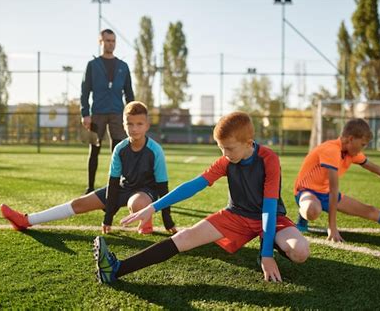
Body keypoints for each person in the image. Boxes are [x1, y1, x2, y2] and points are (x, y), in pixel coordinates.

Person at [93, 112, 310, 284]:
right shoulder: (226, 161)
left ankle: (267, 241)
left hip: (270, 217)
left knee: (300, 252)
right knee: (185, 238)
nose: (224, 154)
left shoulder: (269, 159)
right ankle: (117, 268)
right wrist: (153, 208)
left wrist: (266, 255)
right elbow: (193, 186)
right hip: (236, 216)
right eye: (221, 148)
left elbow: (269, 209)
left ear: (248, 142)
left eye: (229, 148)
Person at [0, 101, 176, 234]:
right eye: (130, 124)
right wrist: (108, 217)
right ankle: (26, 220)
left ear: (147, 125)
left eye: (139, 124)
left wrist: (167, 220)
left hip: (146, 192)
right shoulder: (120, 149)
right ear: (123, 125)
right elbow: (113, 183)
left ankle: (146, 222)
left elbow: (162, 187)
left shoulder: (155, 150)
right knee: (78, 203)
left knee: (138, 204)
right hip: (124, 187)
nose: (134, 128)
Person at [294, 118, 380, 242]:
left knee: (371, 211)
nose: (363, 148)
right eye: (362, 144)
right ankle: (303, 218)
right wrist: (332, 227)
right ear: (350, 139)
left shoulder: (351, 154)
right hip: (307, 191)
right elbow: (333, 188)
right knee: (312, 210)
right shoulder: (331, 150)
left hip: (325, 193)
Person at [81, 29, 134, 194]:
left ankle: (116, 186)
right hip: (97, 113)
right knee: (94, 150)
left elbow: (129, 92)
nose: (110, 43)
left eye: (113, 41)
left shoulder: (123, 66)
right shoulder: (92, 65)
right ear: (100, 42)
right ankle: (90, 186)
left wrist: (131, 113)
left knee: (118, 150)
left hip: (118, 114)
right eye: (107, 40)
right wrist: (85, 113)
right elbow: (85, 91)